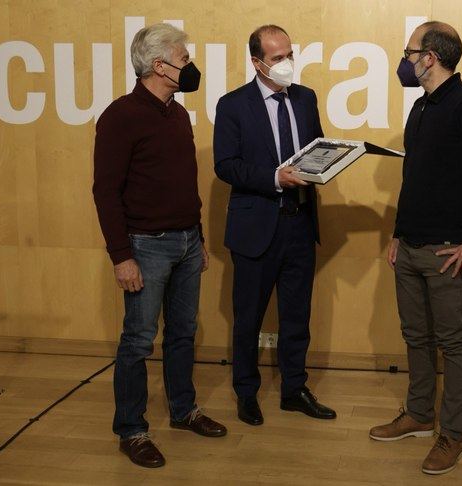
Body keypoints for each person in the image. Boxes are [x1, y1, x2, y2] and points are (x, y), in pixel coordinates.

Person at [368, 21, 462, 475]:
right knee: (416, 337)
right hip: (409, 247)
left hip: (449, 251)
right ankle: (419, 414)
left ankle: (451, 435)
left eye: (409, 52)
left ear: (429, 57)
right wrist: (397, 232)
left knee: (453, 343)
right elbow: (415, 181)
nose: (404, 61)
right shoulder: (421, 108)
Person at [93, 22, 226, 469]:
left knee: (183, 333)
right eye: (184, 60)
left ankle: (184, 410)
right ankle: (131, 430)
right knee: (138, 341)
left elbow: (183, 185)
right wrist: (121, 256)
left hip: (187, 242)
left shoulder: (178, 115)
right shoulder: (120, 116)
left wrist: (199, 238)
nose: (190, 67)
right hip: (144, 247)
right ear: (159, 65)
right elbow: (106, 192)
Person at [213, 24, 336, 426]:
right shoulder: (233, 105)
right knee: (247, 318)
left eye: (289, 54)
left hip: (300, 223)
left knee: (297, 316)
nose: (287, 63)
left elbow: (315, 147)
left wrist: (330, 161)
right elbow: (226, 165)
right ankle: (246, 393)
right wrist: (274, 177)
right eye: (278, 58)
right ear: (257, 62)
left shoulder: (305, 98)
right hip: (256, 229)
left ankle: (294, 389)